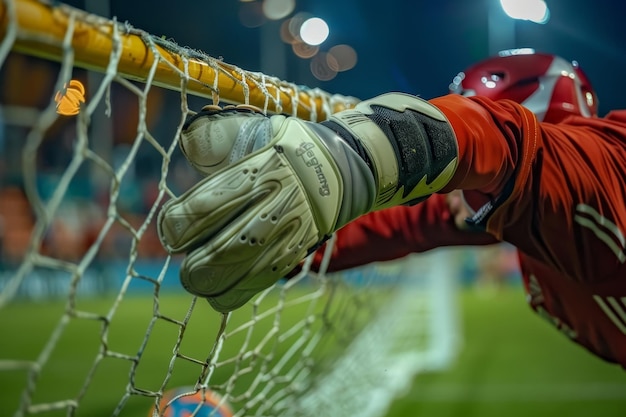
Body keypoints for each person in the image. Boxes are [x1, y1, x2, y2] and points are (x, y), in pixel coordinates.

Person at [157, 49, 626, 369]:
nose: (450, 192)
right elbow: (392, 226)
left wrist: (352, 155)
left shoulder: (609, 168)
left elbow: (504, 142)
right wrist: (283, 242)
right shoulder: (496, 219)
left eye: (463, 175)